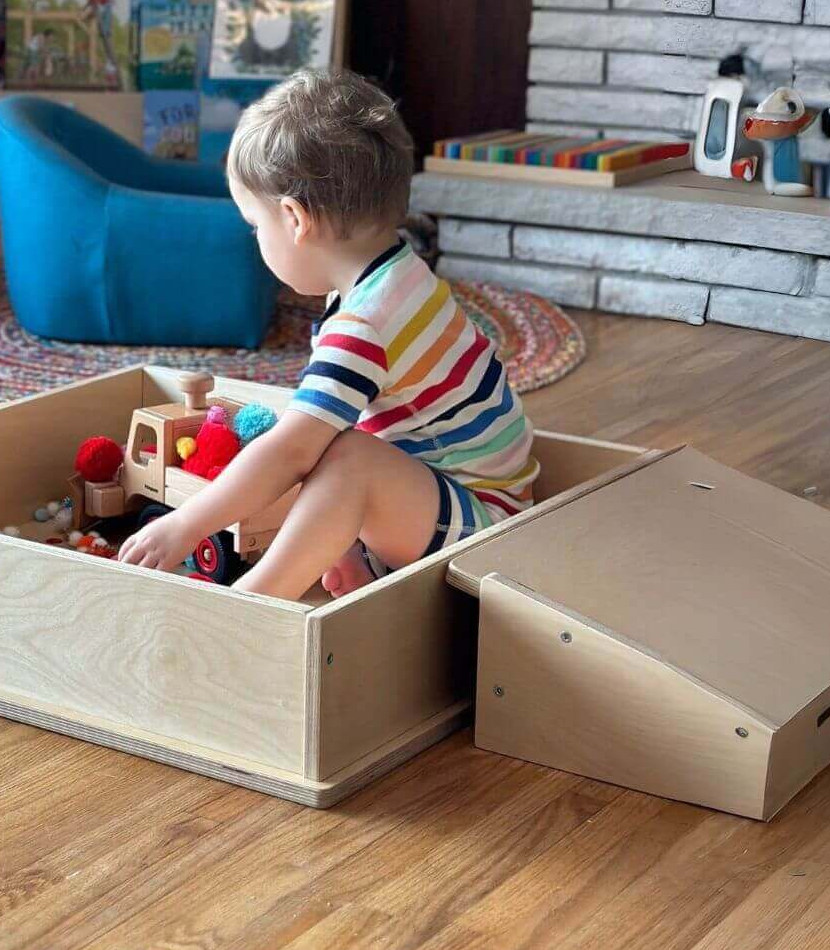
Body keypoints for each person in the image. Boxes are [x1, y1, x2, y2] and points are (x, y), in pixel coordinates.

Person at [118, 68, 538, 600]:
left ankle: (253, 603)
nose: (257, 240)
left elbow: (290, 453)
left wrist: (186, 523)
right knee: (328, 432)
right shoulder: (400, 273)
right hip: (465, 498)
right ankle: (358, 560)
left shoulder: (364, 323)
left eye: (255, 226)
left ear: (294, 219)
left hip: (483, 530)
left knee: (336, 455)